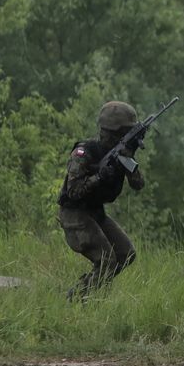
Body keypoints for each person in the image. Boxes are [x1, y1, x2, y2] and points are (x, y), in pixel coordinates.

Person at [57, 101, 145, 300]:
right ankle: (75, 299)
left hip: (95, 212)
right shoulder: (84, 152)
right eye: (125, 132)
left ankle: (90, 292)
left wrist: (130, 158)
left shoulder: (121, 154)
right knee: (107, 261)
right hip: (74, 214)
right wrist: (99, 177)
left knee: (126, 254)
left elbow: (138, 185)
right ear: (113, 132)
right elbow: (73, 192)